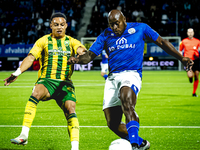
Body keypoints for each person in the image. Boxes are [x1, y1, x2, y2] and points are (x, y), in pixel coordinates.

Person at [67, 9, 193, 150]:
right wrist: (77, 60)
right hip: (112, 78)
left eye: (117, 23)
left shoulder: (141, 28)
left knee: (126, 99)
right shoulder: (105, 35)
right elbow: (89, 56)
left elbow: (162, 42)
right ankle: (141, 143)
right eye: (111, 25)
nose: (114, 28)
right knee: (112, 123)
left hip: (131, 74)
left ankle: (133, 145)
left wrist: (181, 58)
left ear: (124, 19)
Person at [4, 12, 87, 150]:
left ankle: (75, 148)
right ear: (50, 26)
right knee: (36, 93)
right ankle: (24, 135)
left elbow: (83, 52)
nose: (59, 27)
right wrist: (17, 73)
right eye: (56, 25)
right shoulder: (43, 40)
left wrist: (79, 58)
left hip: (65, 83)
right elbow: (31, 57)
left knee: (71, 109)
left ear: (66, 26)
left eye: (62, 25)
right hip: (46, 81)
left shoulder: (72, 41)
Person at [179, 28, 200, 97]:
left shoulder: (198, 41)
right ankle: (191, 78)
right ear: (187, 33)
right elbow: (180, 50)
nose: (190, 33)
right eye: (189, 32)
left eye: (191, 32)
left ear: (193, 33)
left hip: (196, 60)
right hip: (188, 61)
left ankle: (194, 93)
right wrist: (181, 58)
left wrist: (197, 54)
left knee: (197, 75)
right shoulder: (184, 41)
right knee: (190, 75)